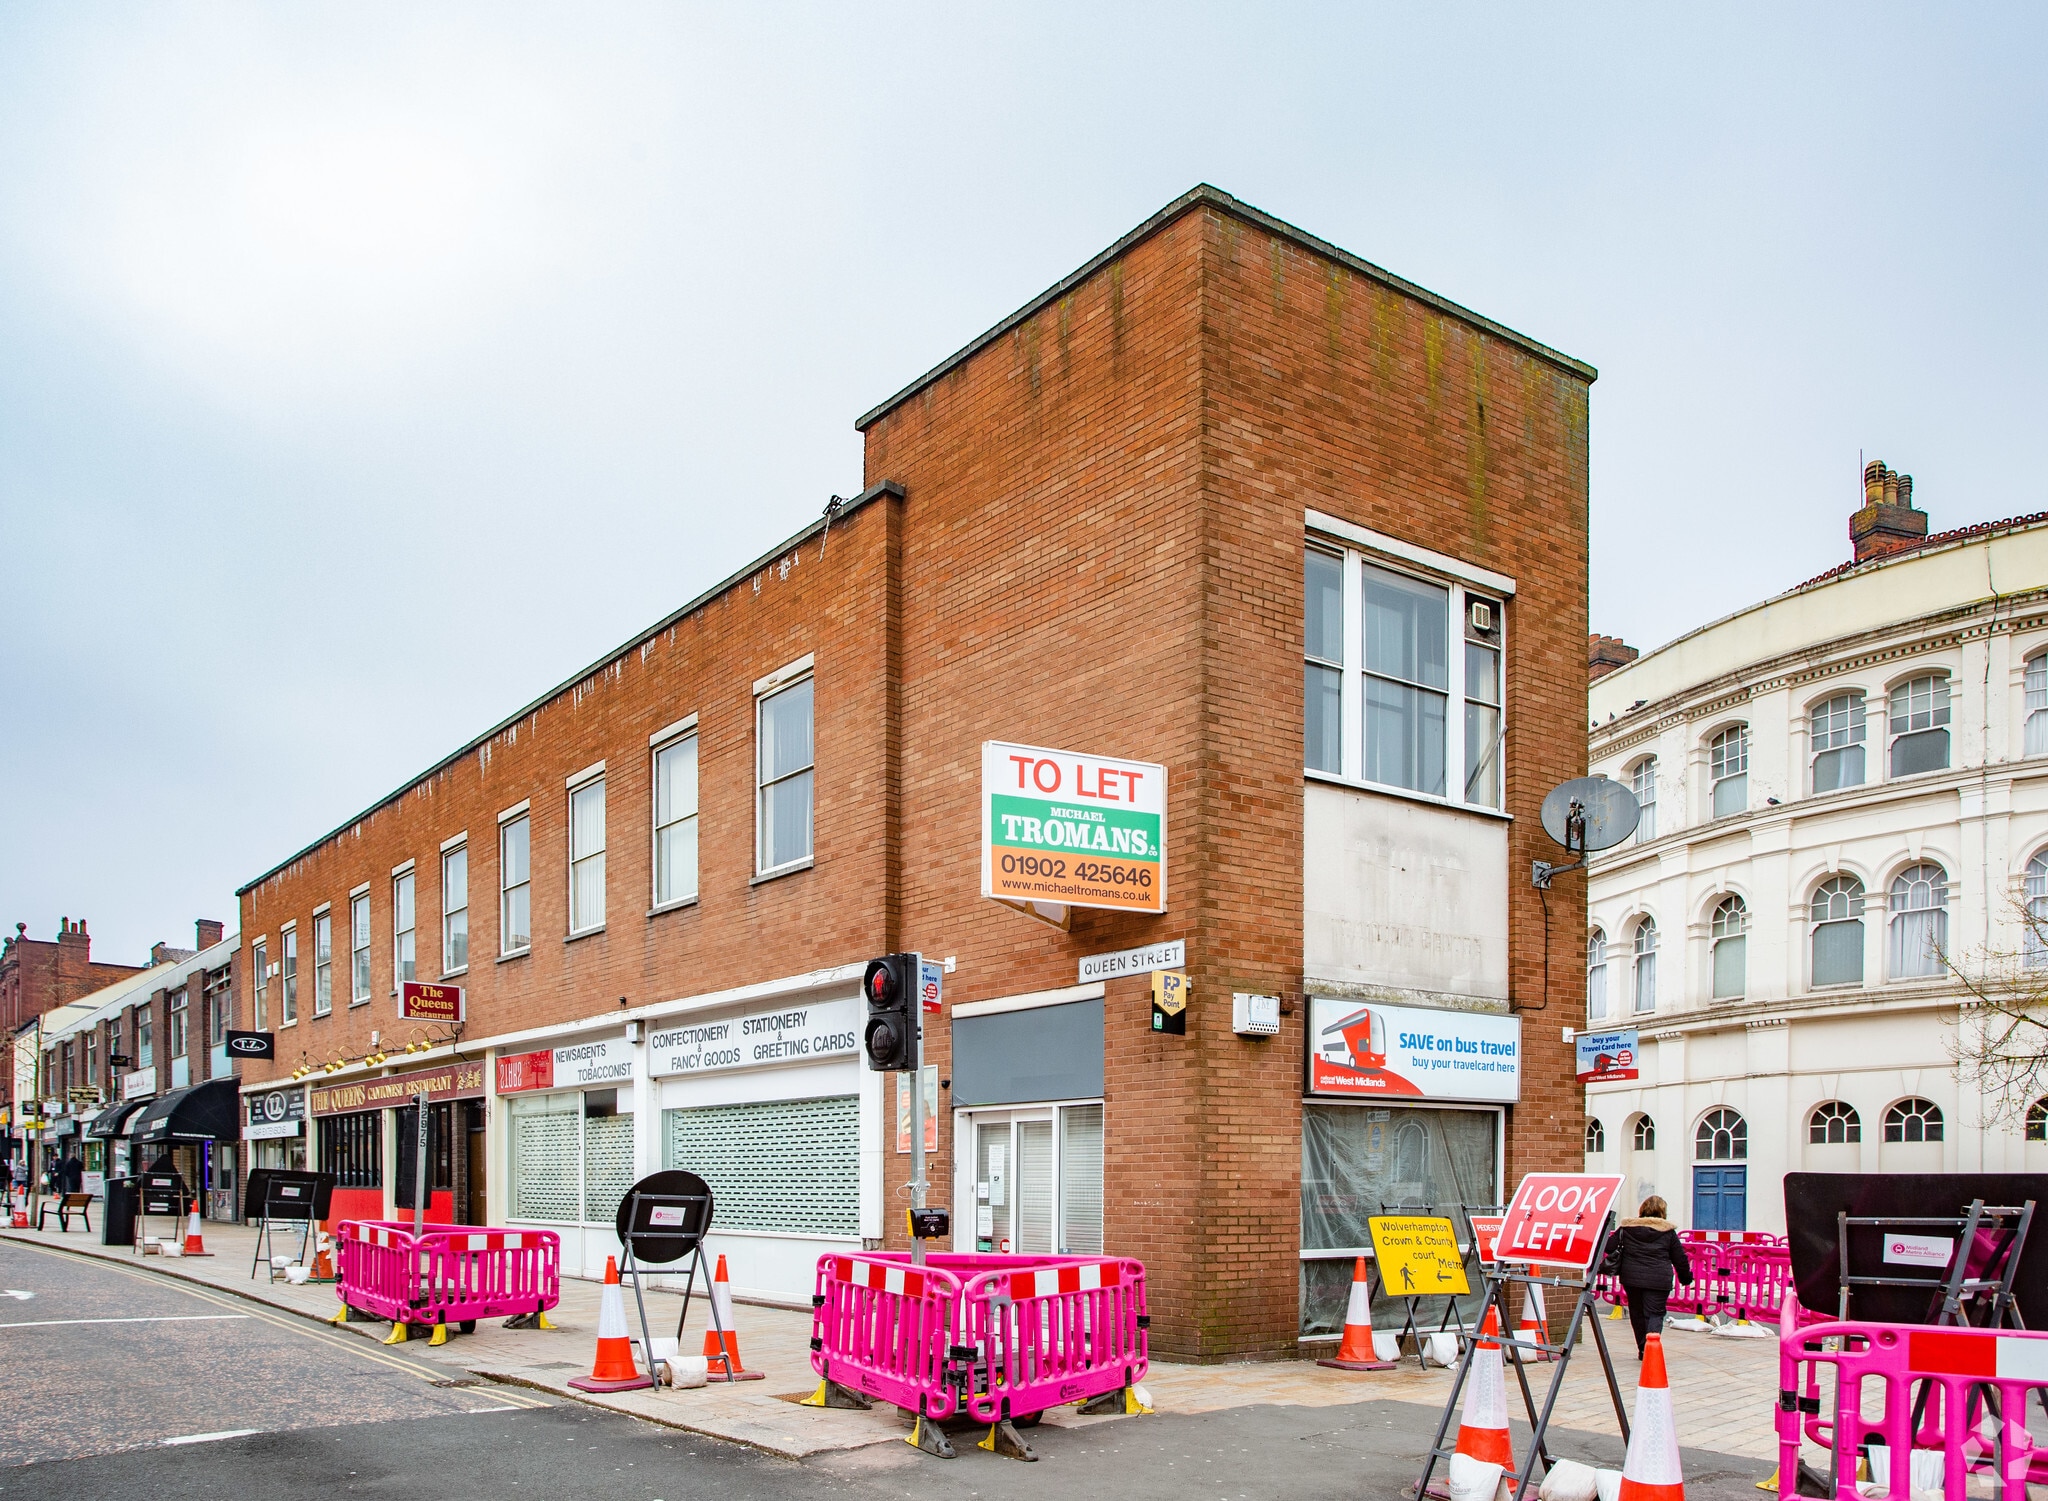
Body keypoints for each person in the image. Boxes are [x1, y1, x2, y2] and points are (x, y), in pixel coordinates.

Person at [1608, 1195, 1693, 1358]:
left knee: (1637, 1313)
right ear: (1663, 1212)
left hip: (1631, 1278)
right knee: (1655, 1313)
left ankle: (1642, 1348)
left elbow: (1609, 1246)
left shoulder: (1627, 1228)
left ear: (1642, 1209)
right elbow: (1680, 1258)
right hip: (1658, 1279)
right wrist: (1686, 1278)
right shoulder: (1667, 1232)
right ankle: (1651, 1349)